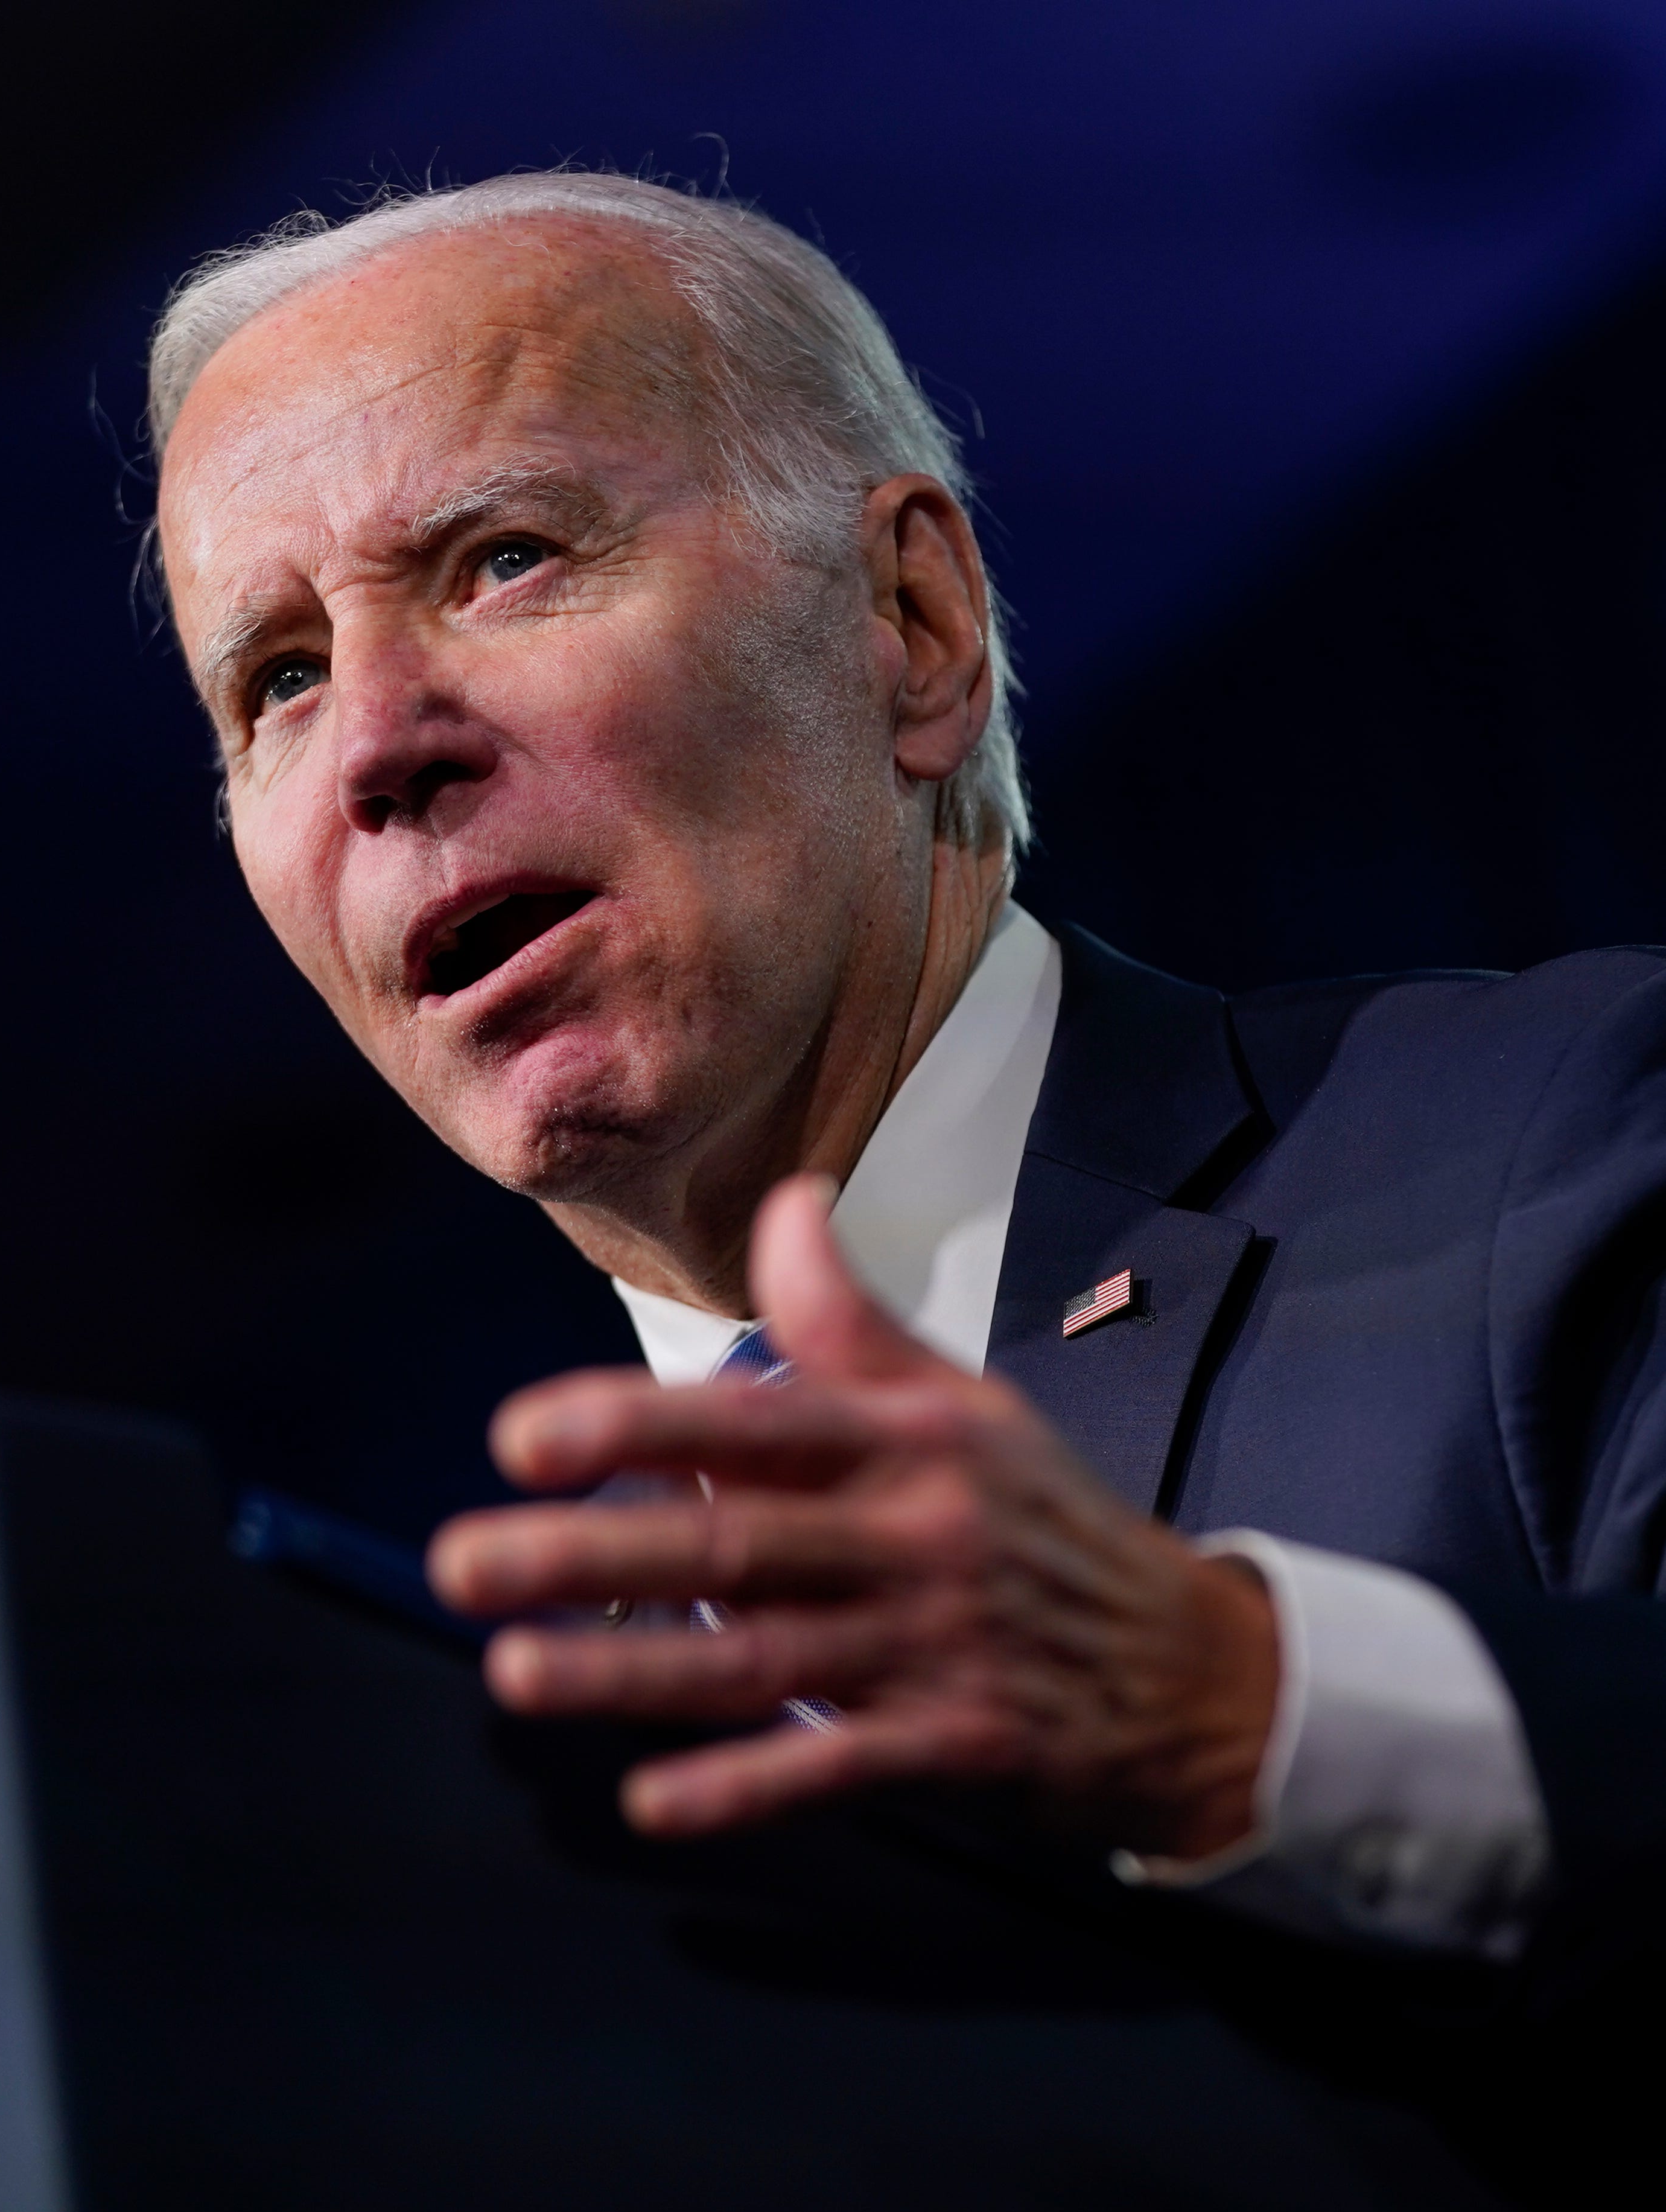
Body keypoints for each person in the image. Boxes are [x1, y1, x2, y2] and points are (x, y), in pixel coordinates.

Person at [146, 172, 1666, 1986]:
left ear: (913, 623)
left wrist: (1241, 1710)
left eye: (503, 559)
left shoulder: (1558, 1140)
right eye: (282, 679)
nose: (379, 745)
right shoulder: (519, 1717)